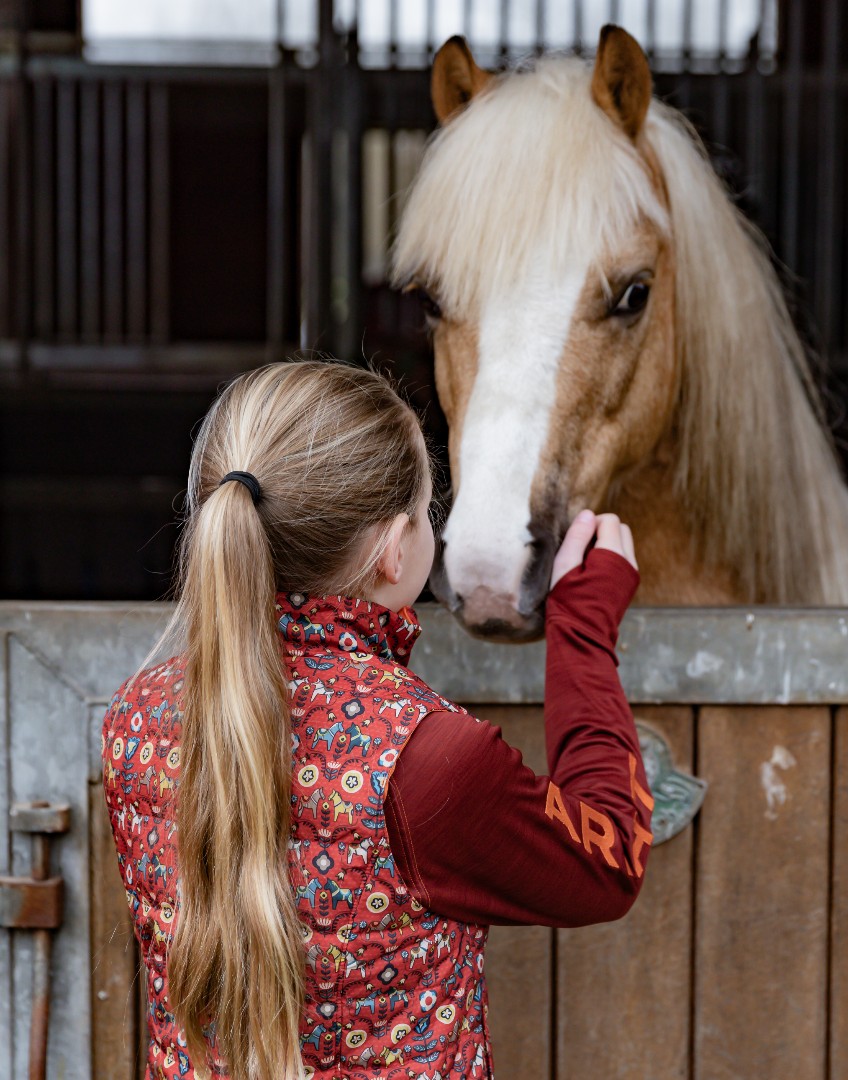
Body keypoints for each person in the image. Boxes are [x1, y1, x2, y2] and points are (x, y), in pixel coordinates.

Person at [101, 359, 653, 1080]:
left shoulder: (135, 721)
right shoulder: (425, 759)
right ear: (395, 552)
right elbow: (606, 860)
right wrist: (583, 625)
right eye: (428, 512)